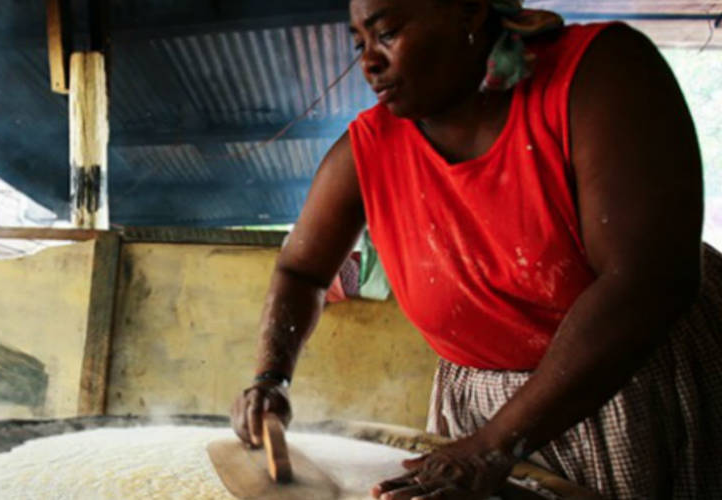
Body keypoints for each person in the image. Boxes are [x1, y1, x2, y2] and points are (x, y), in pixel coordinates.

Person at [229, 0, 722, 498]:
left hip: (632, 388)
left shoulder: (598, 74)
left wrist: (495, 444)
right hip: (478, 415)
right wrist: (273, 377)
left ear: (468, 11)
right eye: (360, 43)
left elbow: (649, 280)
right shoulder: (369, 151)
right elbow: (300, 271)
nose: (369, 62)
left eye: (388, 33)